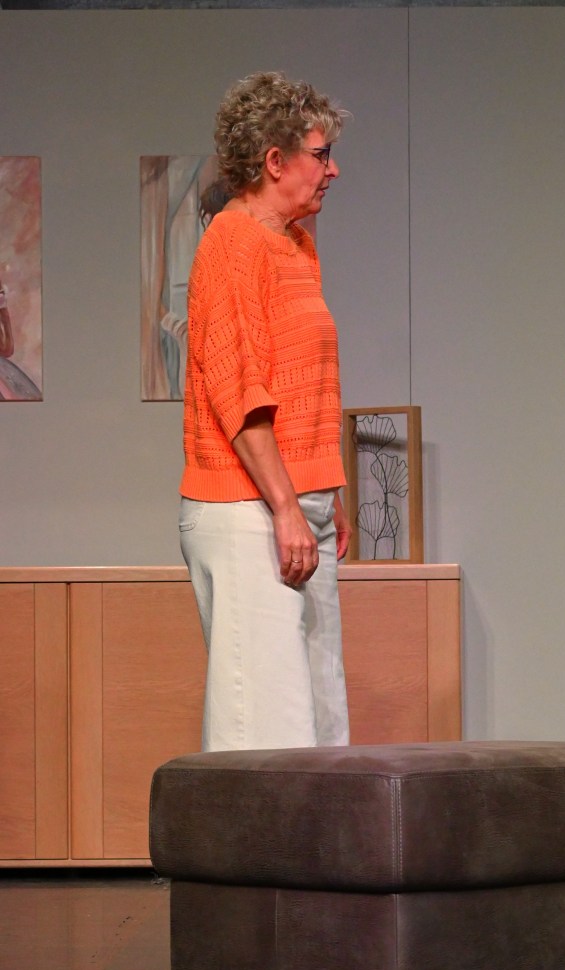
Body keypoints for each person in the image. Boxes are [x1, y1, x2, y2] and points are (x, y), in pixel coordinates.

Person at [180, 71, 351, 752]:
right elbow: (239, 393)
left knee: (322, 727)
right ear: (275, 160)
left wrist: (324, 491)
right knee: (267, 732)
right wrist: (286, 506)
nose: (333, 170)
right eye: (321, 154)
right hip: (249, 508)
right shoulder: (231, 243)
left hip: (296, 503)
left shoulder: (296, 245)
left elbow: (301, 385)